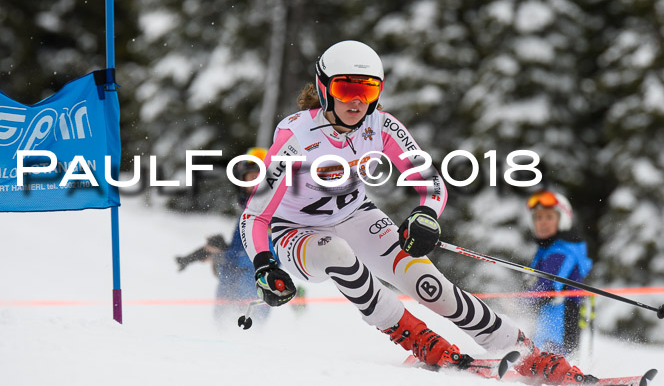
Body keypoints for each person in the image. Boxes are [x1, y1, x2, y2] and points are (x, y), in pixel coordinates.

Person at [239, 40, 597, 384]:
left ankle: (528, 353)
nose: (358, 100)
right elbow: (254, 216)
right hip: (297, 232)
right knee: (338, 253)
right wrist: (264, 265)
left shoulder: (382, 126)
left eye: (367, 90)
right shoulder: (297, 136)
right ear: (324, 88)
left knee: (431, 285)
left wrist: (426, 215)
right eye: (346, 89)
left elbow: (432, 183)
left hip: (356, 216)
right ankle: (417, 338)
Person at [176, 147, 274, 324]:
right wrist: (222, 250)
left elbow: (269, 256)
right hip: (230, 289)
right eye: (249, 177)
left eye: (258, 177)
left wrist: (226, 257)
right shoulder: (248, 211)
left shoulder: (273, 212)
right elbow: (244, 248)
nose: (252, 182)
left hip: (252, 292)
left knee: (247, 340)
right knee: (221, 334)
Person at [525, 190, 593, 356]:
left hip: (560, 326)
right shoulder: (547, 250)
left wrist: (518, 302)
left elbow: (547, 285)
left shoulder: (562, 251)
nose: (542, 222)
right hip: (548, 326)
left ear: (563, 220)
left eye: (549, 217)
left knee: (552, 366)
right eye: (538, 217)